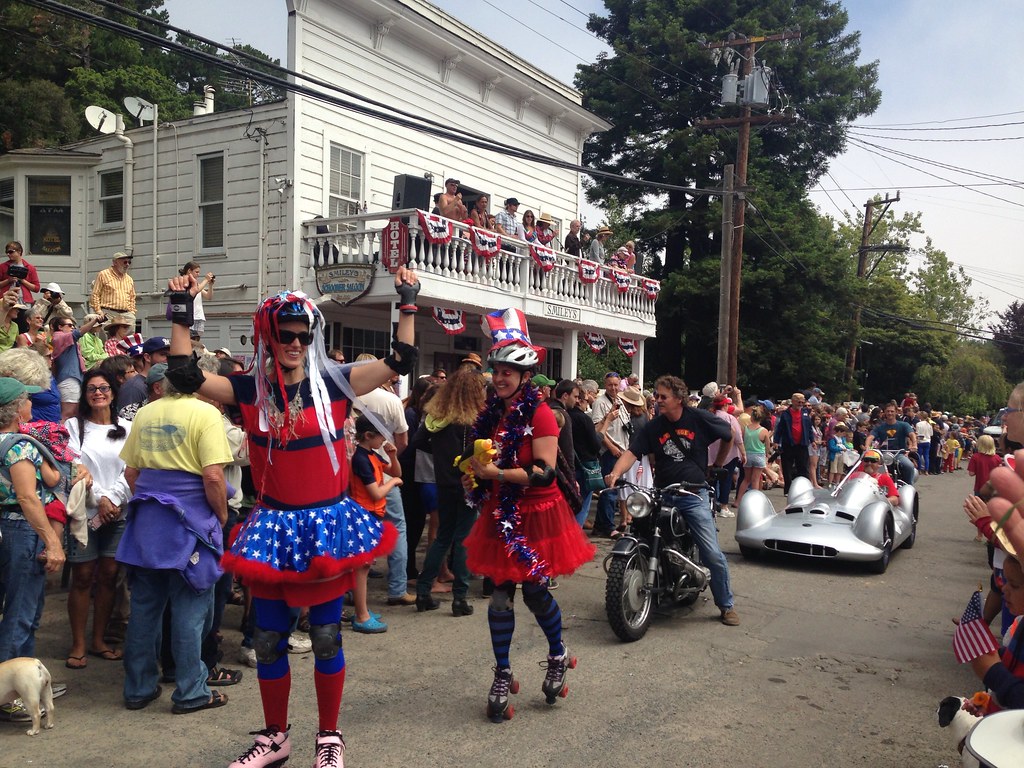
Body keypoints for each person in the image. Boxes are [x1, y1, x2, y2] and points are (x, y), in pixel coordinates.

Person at [163, 266, 420, 767]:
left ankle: (329, 738)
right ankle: (275, 738)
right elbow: (184, 375)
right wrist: (180, 310)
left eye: (304, 335)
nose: (296, 343)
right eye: (286, 335)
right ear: (268, 335)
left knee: (326, 636)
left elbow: (400, 359)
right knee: (267, 638)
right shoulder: (250, 390)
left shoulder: (337, 384)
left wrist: (407, 300)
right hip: (274, 525)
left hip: (324, 527)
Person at [462, 308, 595, 722]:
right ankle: (502, 672)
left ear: (524, 376)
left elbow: (543, 472)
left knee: (536, 593)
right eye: (496, 370)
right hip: (502, 514)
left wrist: (496, 473)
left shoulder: (540, 413)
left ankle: (558, 654)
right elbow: (484, 459)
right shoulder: (494, 412)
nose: (499, 377)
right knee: (500, 596)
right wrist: (476, 477)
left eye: (507, 372)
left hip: (537, 512)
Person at [115, 361, 233, 716]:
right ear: (201, 384)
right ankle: (191, 692)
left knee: (145, 610)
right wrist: (221, 516)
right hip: (190, 521)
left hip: (148, 523)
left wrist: (151, 497)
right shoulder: (205, 413)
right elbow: (213, 476)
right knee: (190, 608)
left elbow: (131, 472)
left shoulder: (147, 412)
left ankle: (138, 687)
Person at [606, 374, 740, 627]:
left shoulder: (698, 418)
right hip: (662, 493)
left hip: (693, 494)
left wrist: (719, 463)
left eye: (663, 397)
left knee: (712, 552)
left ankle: (726, 605)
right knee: (641, 530)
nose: (657, 400)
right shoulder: (654, 426)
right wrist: (615, 473)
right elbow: (632, 452)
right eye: (656, 396)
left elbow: (729, 433)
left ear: (679, 399)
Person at [63, 370, 132, 670]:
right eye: (91, 389)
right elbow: (75, 468)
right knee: (82, 577)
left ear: (113, 394)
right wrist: (101, 500)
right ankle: (78, 643)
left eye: (104, 388)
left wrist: (114, 499)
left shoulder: (129, 428)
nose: (98, 393)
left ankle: (99, 639)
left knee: (109, 575)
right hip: (86, 513)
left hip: (119, 512)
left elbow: (133, 469)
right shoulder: (73, 427)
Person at [0, 376, 66, 667]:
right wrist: (53, 542)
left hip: (4, 527)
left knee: (20, 607)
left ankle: (24, 680)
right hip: (20, 529)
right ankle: (9, 692)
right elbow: (28, 498)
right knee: (21, 612)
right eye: (28, 399)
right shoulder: (20, 447)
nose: (32, 403)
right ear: (17, 411)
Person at [411, 365, 486, 614]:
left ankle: (423, 592)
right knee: (463, 539)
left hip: (442, 481)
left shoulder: (437, 416)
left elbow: (419, 442)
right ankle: (460, 599)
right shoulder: (476, 419)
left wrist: (442, 456)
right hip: (468, 483)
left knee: (442, 537)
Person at [353, 356, 414, 607]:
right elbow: (403, 441)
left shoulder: (347, 396)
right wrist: (391, 462)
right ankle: (397, 587)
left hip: (355, 474)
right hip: (379, 477)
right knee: (397, 528)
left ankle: (352, 591)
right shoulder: (390, 400)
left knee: (355, 539)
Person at [347, 414, 401, 634]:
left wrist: (393, 456)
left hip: (371, 516)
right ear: (368, 436)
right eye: (381, 437)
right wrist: (394, 484)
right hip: (363, 516)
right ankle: (361, 615)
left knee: (365, 566)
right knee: (362, 566)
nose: (384, 441)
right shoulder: (361, 458)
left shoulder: (371, 454)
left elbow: (395, 471)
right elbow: (376, 491)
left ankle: (363, 610)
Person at [590, 372, 629, 537]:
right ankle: (607, 526)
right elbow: (598, 428)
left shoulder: (620, 400)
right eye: (609, 385)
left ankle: (601, 523)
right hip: (610, 451)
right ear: (604, 385)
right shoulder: (600, 402)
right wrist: (611, 447)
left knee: (615, 489)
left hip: (622, 450)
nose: (613, 388)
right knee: (610, 489)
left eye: (615, 384)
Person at [50, 314, 104, 420]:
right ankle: (60, 435)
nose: (73, 328)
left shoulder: (64, 338)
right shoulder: (59, 337)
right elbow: (79, 333)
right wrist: (95, 320)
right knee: (68, 414)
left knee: (73, 413)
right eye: (69, 325)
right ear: (60, 327)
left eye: (73, 325)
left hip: (72, 379)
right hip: (68, 380)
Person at [773, 393, 813, 493]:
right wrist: (776, 441)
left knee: (803, 467)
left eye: (802, 402)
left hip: (802, 444)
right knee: (787, 467)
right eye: (798, 402)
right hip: (788, 444)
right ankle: (788, 490)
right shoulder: (786, 414)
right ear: (793, 401)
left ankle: (804, 489)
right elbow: (779, 429)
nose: (800, 404)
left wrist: (812, 440)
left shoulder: (805, 413)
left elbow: (809, 428)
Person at [90, 252, 136, 328]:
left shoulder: (129, 279)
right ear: (115, 262)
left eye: (129, 262)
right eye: (125, 262)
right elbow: (95, 294)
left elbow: (132, 297)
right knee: (107, 336)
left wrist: (132, 312)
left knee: (128, 338)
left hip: (126, 314)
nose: (127, 264)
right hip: (108, 313)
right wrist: (99, 311)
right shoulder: (103, 275)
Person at [737, 405, 770, 503]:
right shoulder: (764, 431)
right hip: (759, 455)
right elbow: (767, 447)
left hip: (748, 455)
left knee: (746, 479)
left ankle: (738, 501)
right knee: (755, 480)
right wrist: (767, 456)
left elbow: (742, 441)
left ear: (751, 417)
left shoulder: (746, 429)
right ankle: (755, 502)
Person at [179, 262, 215, 337]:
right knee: (189, 340)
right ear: (189, 271)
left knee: (196, 341)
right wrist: (205, 280)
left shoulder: (197, 284)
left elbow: (208, 297)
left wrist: (210, 285)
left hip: (199, 316)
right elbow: (196, 290)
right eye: (196, 272)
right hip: (190, 317)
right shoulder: (184, 282)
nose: (198, 274)